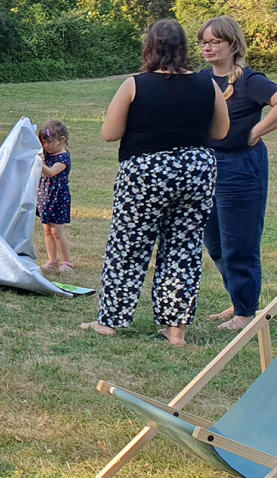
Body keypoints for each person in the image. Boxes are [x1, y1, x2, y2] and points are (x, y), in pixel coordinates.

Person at [82, 20, 230, 346]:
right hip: (196, 172)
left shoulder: (135, 85)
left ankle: (111, 320)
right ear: (184, 48)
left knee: (129, 245)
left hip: (144, 174)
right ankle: (175, 330)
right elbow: (220, 132)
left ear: (150, 46)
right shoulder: (209, 86)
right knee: (183, 247)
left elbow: (110, 133)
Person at [197, 16, 277, 332]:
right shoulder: (202, 80)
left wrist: (255, 130)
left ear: (232, 44)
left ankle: (246, 314)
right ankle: (239, 300)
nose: (207, 46)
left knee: (238, 242)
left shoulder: (250, 80)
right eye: (204, 41)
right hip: (208, 165)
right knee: (213, 240)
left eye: (215, 41)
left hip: (241, 167)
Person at [36, 119, 73, 273]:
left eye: (48, 143)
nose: (45, 146)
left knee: (57, 232)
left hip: (58, 199)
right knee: (47, 231)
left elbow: (50, 173)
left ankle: (67, 261)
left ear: (61, 140)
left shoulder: (63, 158)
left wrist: (39, 163)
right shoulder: (47, 154)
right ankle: (52, 260)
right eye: (43, 143)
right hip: (45, 197)